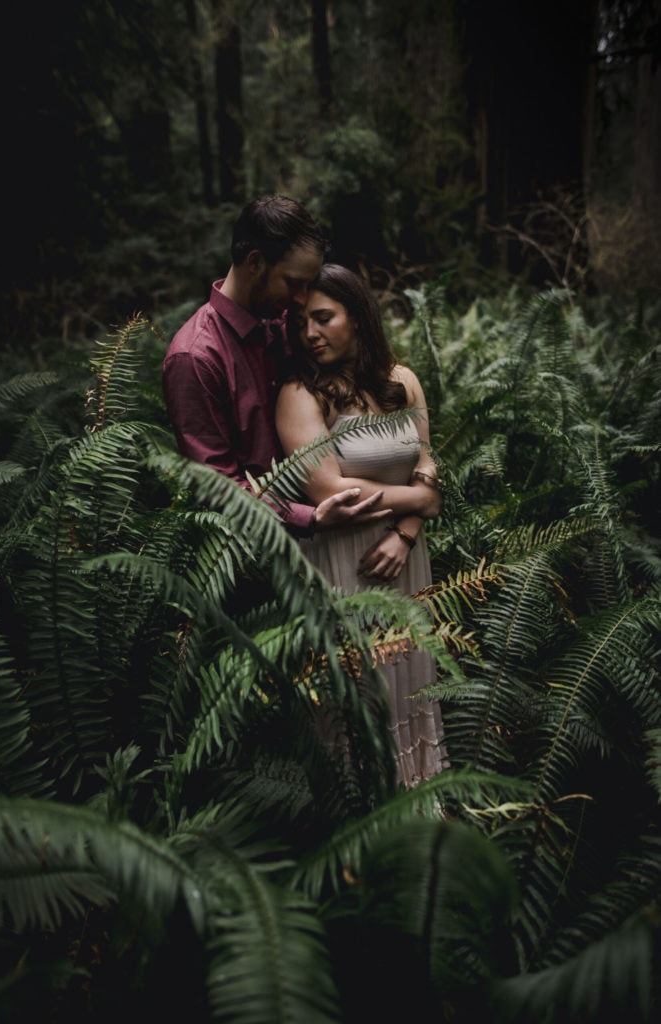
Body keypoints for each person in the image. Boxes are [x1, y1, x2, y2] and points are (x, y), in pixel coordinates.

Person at [275, 263, 448, 787]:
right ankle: (355, 811)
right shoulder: (299, 395)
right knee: (356, 689)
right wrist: (420, 498)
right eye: (302, 322)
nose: (310, 333)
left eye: (323, 317)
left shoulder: (402, 382)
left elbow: (429, 464)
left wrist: (406, 532)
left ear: (358, 316)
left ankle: (416, 799)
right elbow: (331, 491)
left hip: (404, 561)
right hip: (340, 565)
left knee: (409, 682)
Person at [162, 194, 393, 538]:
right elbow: (217, 486)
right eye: (294, 282)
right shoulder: (195, 358)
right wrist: (308, 518)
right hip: (253, 557)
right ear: (254, 262)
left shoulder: (294, 324)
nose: (302, 298)